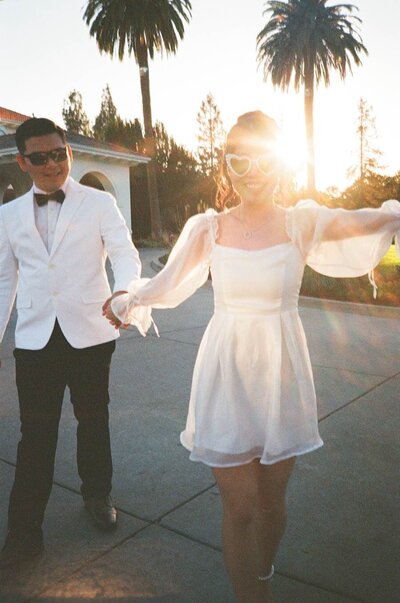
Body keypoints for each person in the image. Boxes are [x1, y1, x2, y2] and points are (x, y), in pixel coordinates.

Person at [105, 111, 400, 603]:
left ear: (279, 163)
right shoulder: (209, 228)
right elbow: (168, 281)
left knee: (270, 504)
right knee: (239, 507)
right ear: (227, 167)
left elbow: (360, 222)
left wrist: (395, 214)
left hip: (281, 372)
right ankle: (251, 596)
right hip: (227, 370)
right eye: (238, 160)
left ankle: (263, 572)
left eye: (262, 159)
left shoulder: (300, 222)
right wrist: (128, 301)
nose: (251, 171)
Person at [0, 117, 141, 568]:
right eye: (39, 157)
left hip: (92, 334)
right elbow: (5, 281)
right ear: (22, 162)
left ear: (70, 153)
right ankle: (24, 532)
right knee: (34, 437)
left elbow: (124, 252)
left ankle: (97, 495)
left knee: (93, 420)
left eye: (58, 154)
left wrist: (126, 293)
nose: (51, 164)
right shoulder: (8, 216)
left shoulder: (99, 203)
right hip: (36, 341)